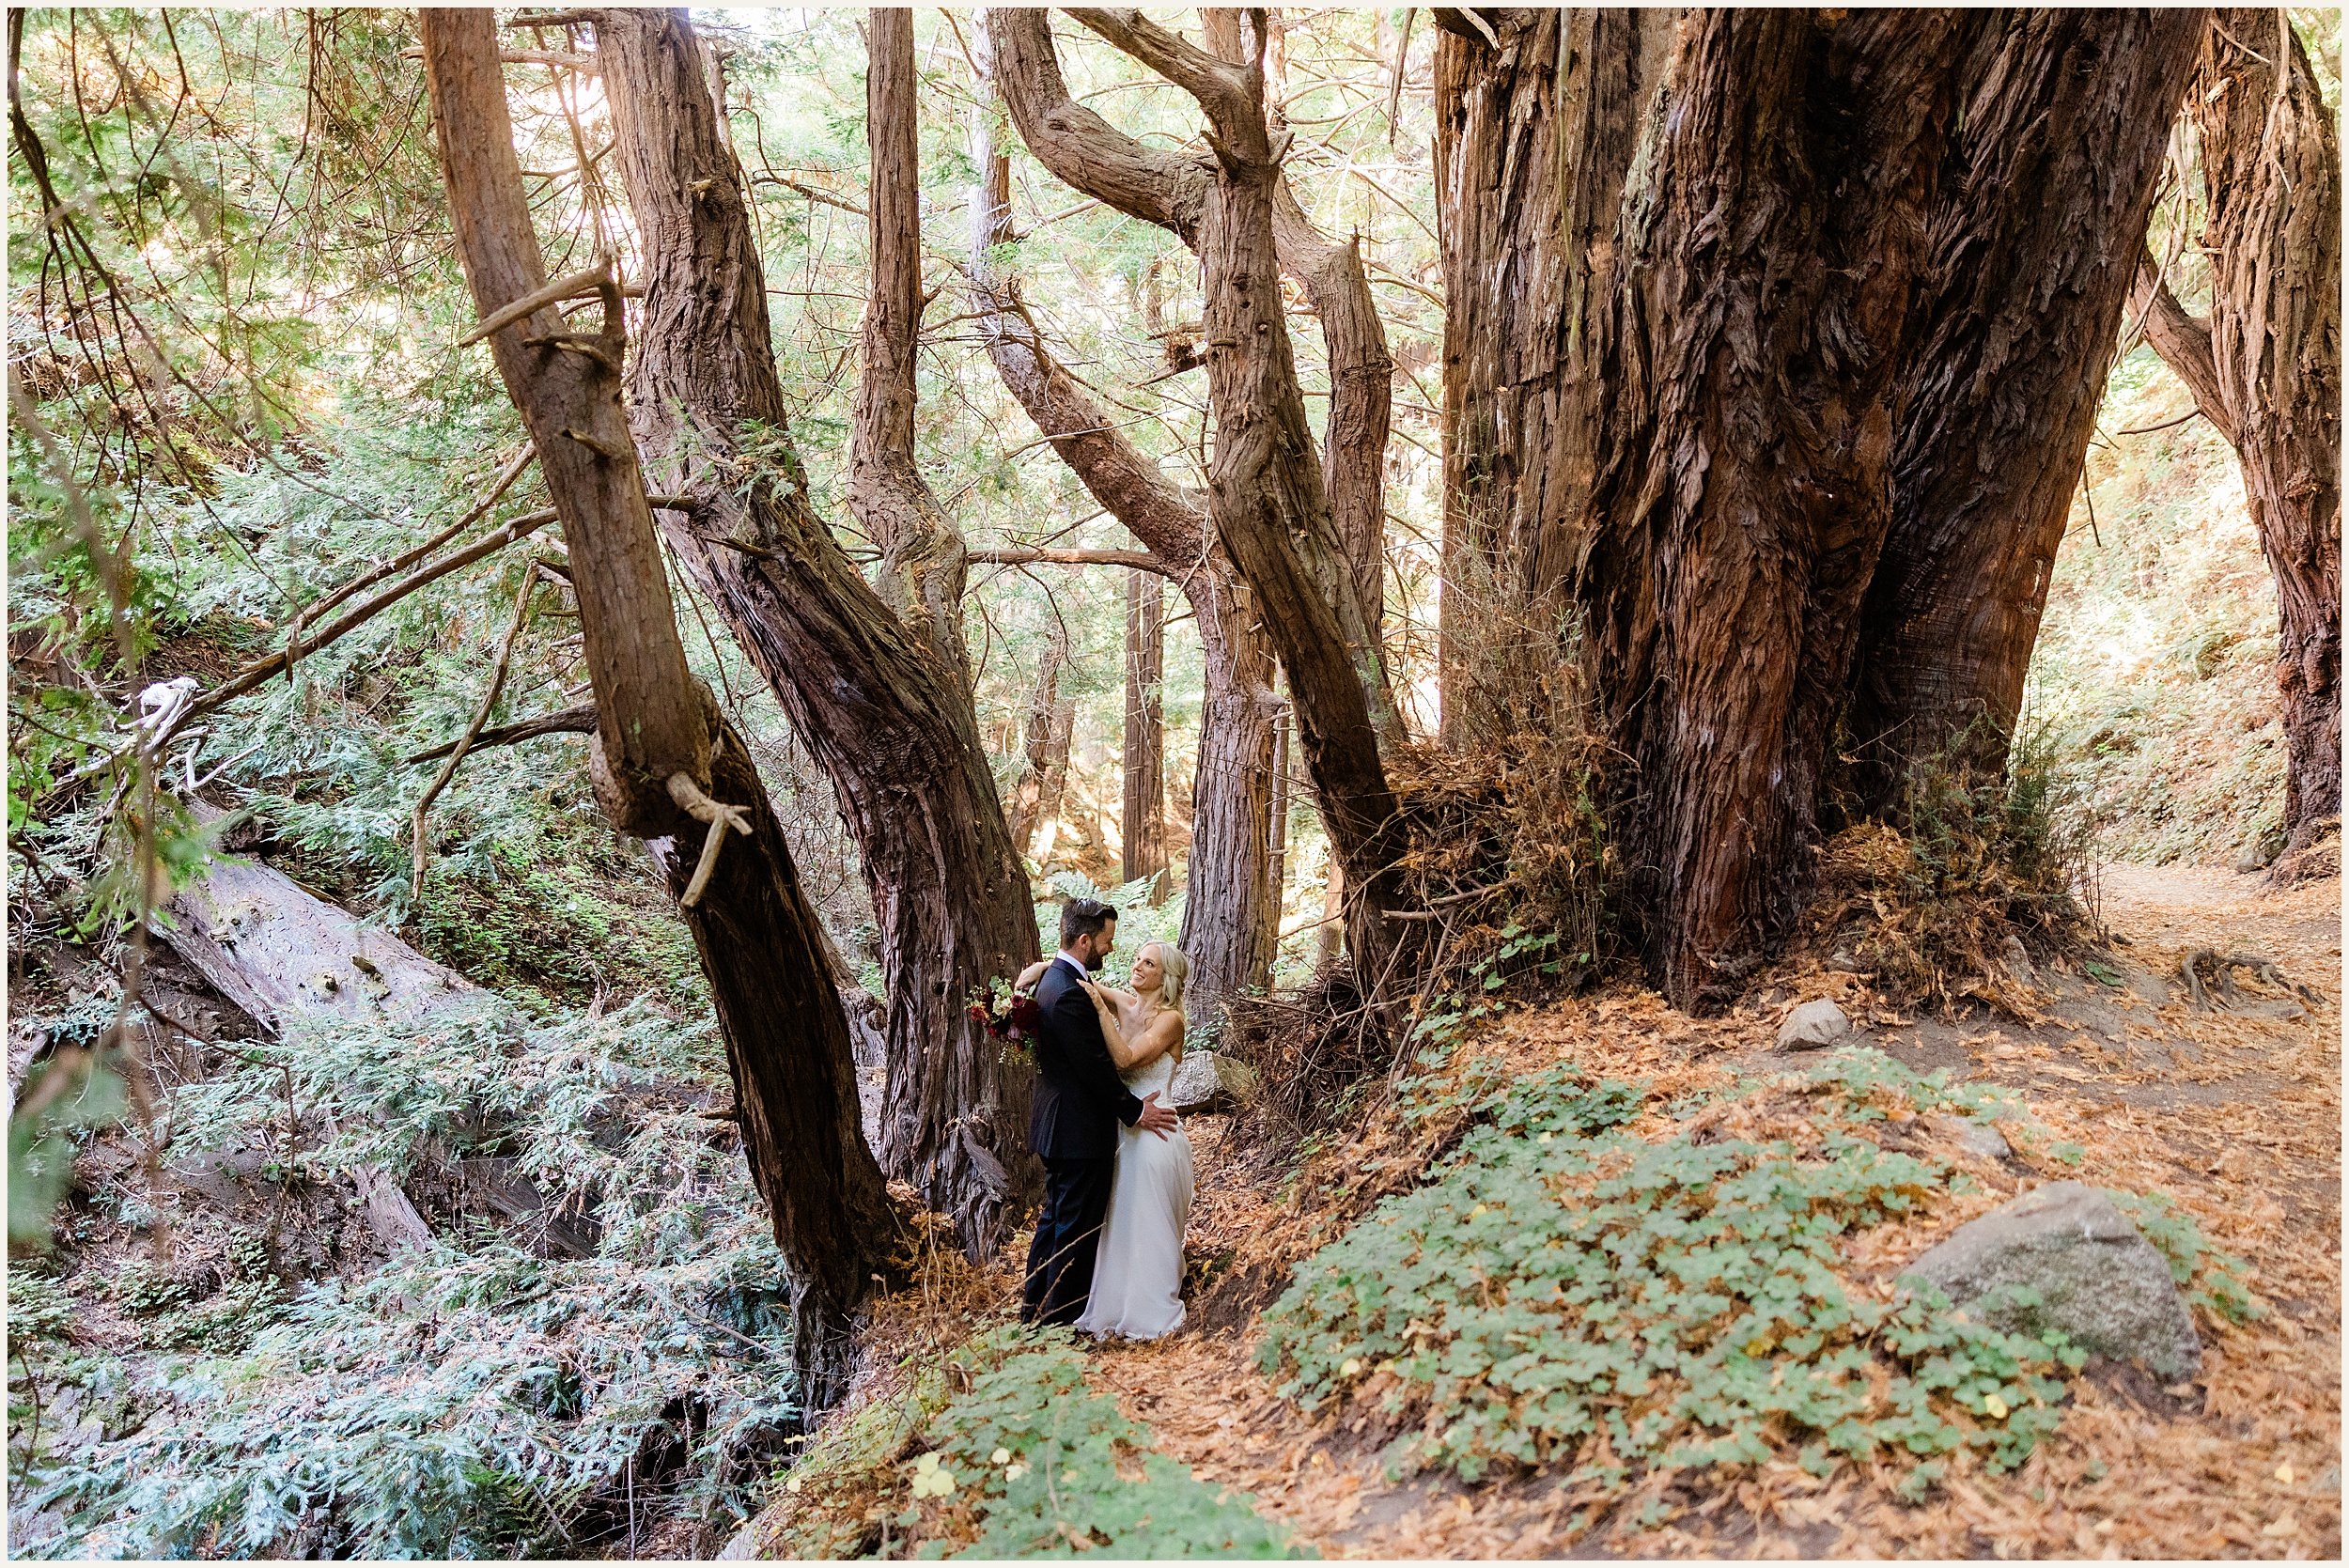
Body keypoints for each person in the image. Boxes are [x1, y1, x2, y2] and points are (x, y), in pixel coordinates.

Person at [1019, 898, 1178, 1327]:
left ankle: (1033, 1313)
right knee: (1073, 1233)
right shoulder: (1071, 993)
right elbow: (1095, 1069)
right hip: (1077, 1132)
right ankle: (1057, 1324)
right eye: (1107, 941)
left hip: (1060, 1126)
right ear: (1086, 940)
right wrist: (1133, 1112)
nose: (1112, 950)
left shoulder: (1057, 981)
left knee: (1055, 1222)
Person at [1070, 939, 1194, 1340]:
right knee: (1120, 1221)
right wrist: (1039, 971)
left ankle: (1152, 1309)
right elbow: (1077, 974)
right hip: (1125, 1133)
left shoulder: (1170, 1020)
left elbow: (1125, 1059)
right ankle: (1116, 1305)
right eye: (1138, 959)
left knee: (1151, 1223)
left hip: (1157, 1134)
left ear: (1166, 977)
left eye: (1149, 963)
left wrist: (1097, 1005)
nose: (1138, 966)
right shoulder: (1126, 1002)